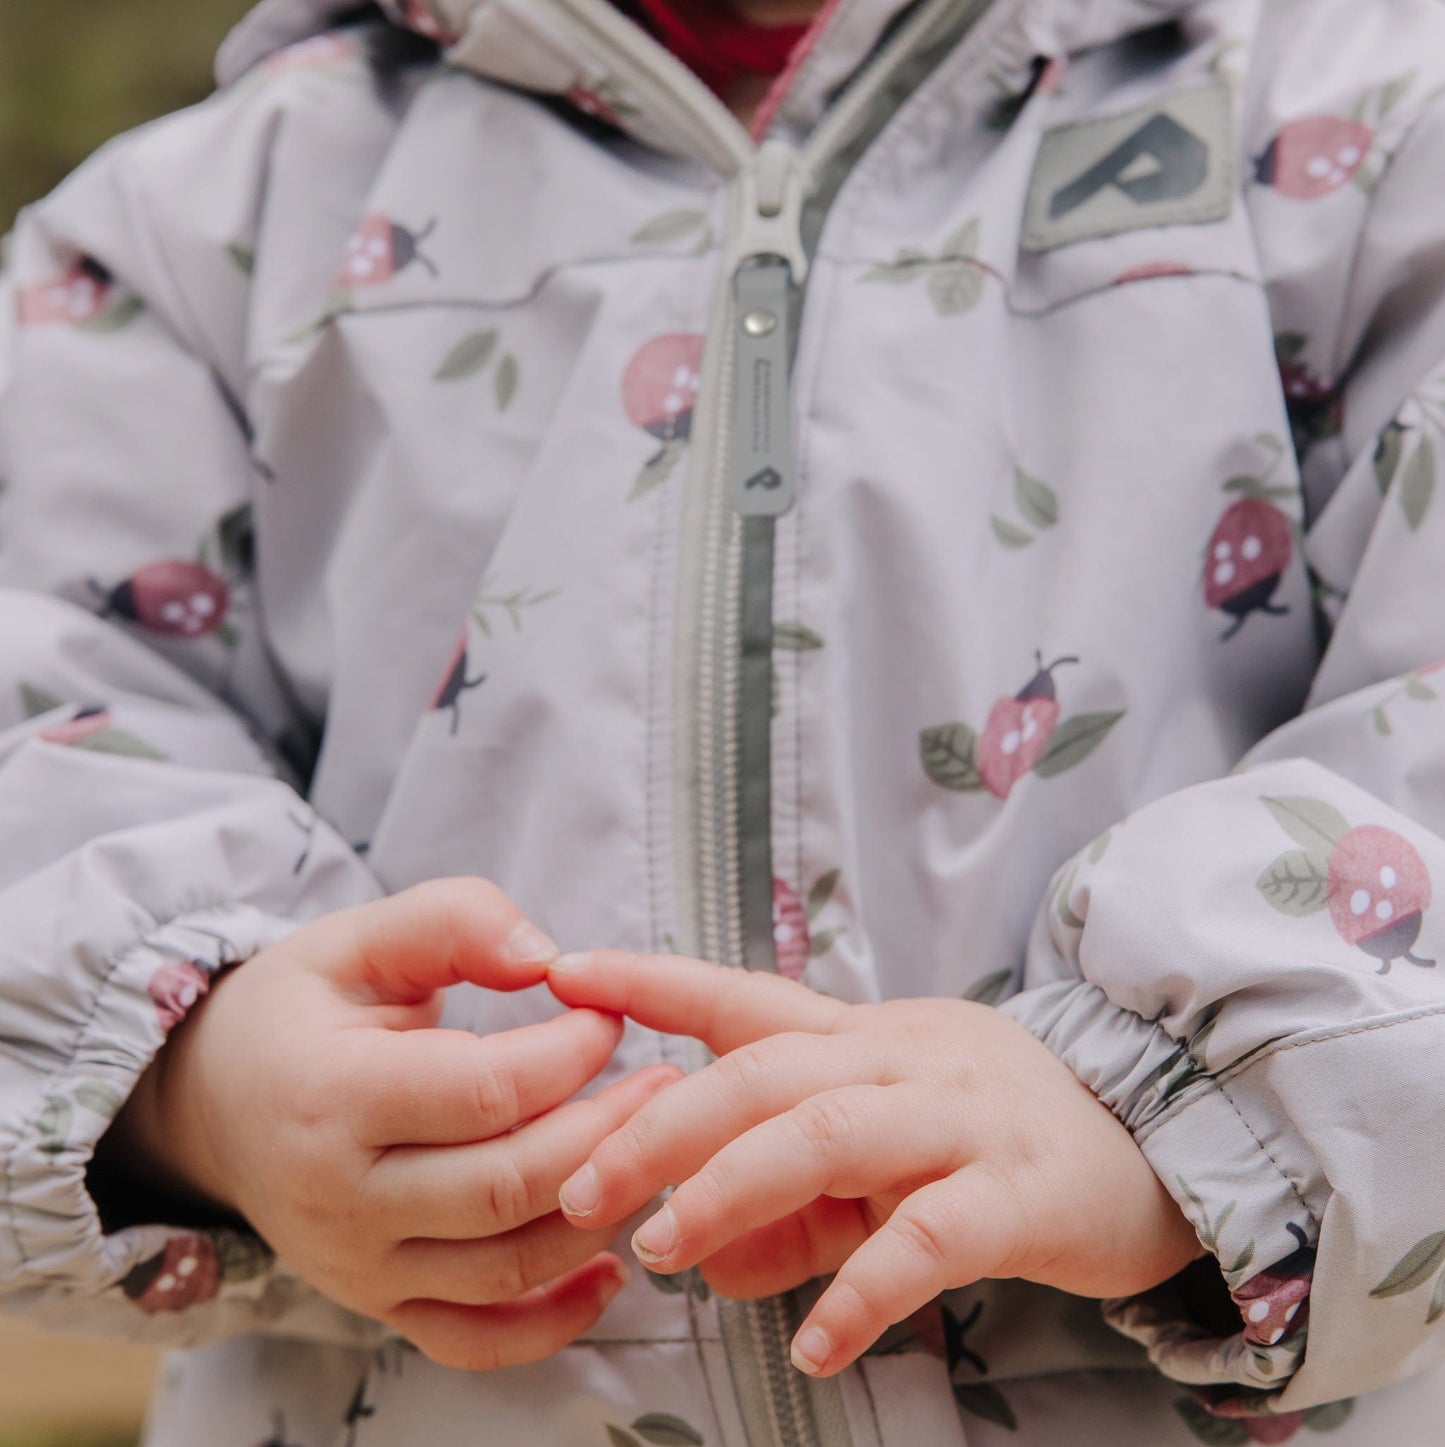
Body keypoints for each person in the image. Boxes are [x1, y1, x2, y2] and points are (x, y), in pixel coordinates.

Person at [4, 0, 1445, 1443]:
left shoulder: (1373, 130)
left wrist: (1176, 1105)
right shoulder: (197, 231)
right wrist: (190, 1082)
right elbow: (40, 701)